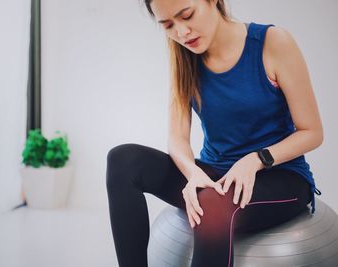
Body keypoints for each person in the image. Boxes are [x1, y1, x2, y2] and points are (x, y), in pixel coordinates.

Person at [106, 0, 323, 266]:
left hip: (279, 176)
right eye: (168, 25)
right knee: (123, 160)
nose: (182, 32)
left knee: (212, 202)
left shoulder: (273, 43)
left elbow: (312, 132)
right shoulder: (182, 55)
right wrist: (193, 173)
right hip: (215, 174)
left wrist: (255, 160)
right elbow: (177, 138)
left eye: (187, 15)